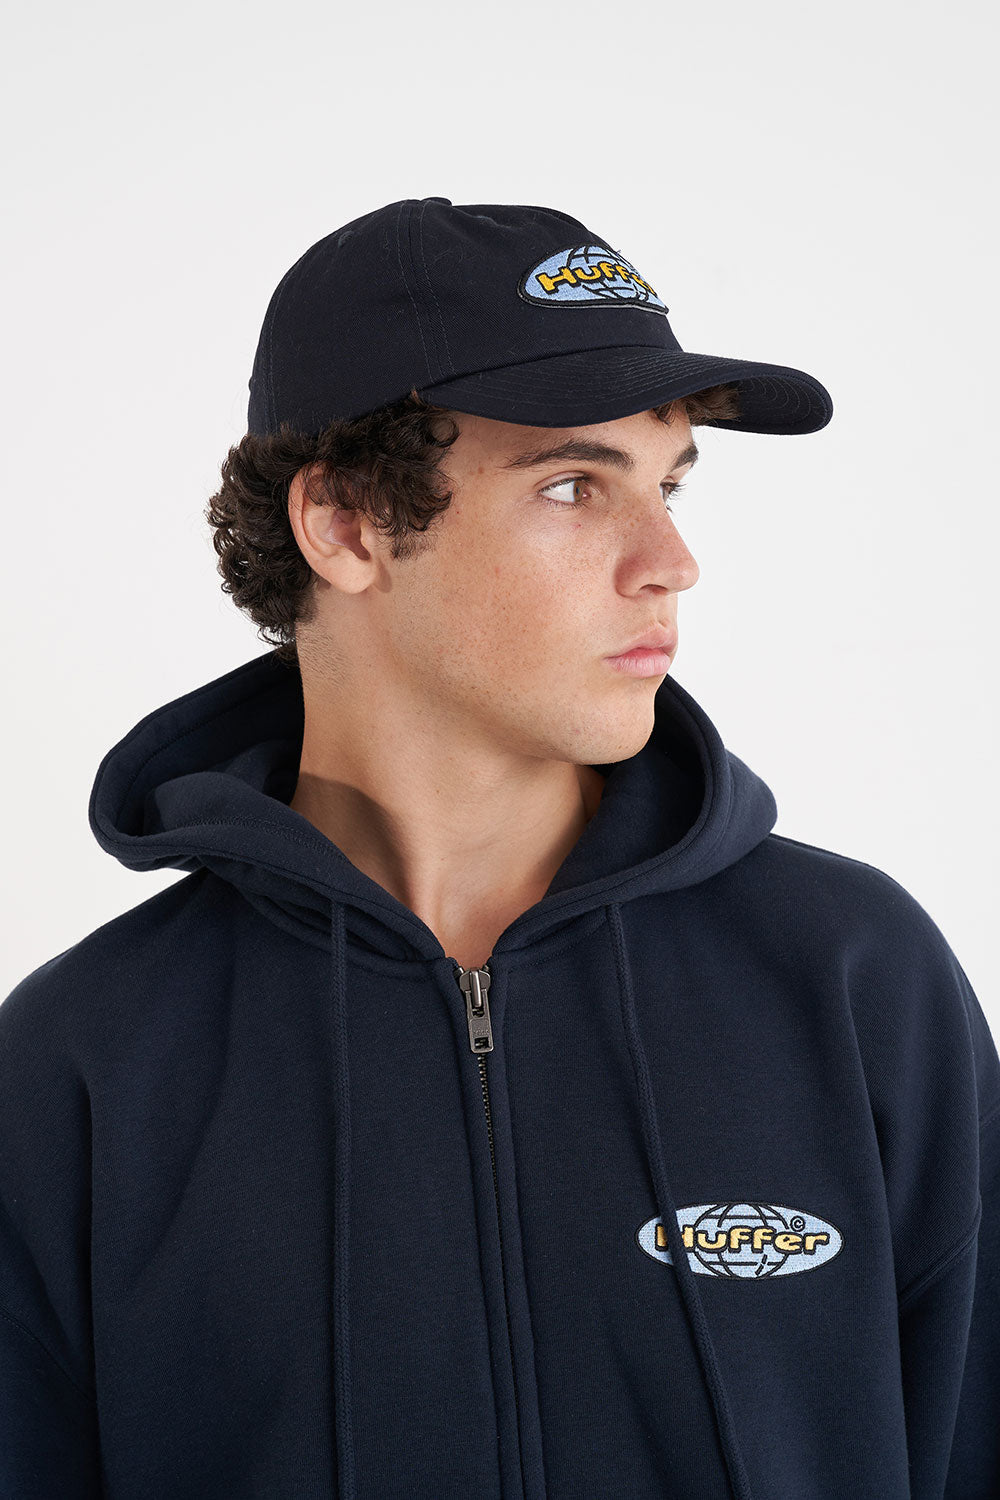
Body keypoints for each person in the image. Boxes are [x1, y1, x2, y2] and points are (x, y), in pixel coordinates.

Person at [1, 197, 996, 1500]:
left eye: (670, 484)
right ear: (345, 524)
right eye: (576, 486)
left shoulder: (857, 983)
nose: (672, 562)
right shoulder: (84, 1065)